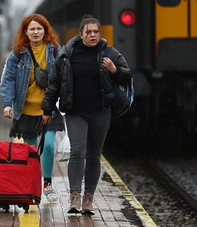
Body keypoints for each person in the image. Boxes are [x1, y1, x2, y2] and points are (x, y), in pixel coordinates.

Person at [41, 14, 131, 215]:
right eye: (88, 32)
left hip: (101, 112)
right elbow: (54, 83)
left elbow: (127, 76)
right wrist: (47, 110)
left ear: (100, 33)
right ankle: (74, 197)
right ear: (80, 34)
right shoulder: (67, 54)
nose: (92, 35)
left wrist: (114, 69)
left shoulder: (109, 53)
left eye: (96, 32)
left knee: (93, 156)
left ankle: (88, 199)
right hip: (75, 112)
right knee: (78, 151)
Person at [0, 14, 65, 203]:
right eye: (32, 29)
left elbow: (64, 77)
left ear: (45, 31)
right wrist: (6, 104)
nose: (36, 32)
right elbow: (8, 80)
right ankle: (32, 184)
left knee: (50, 145)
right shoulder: (18, 54)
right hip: (26, 110)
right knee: (30, 151)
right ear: (26, 32)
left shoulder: (55, 52)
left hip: (49, 110)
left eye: (39, 28)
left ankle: (47, 184)